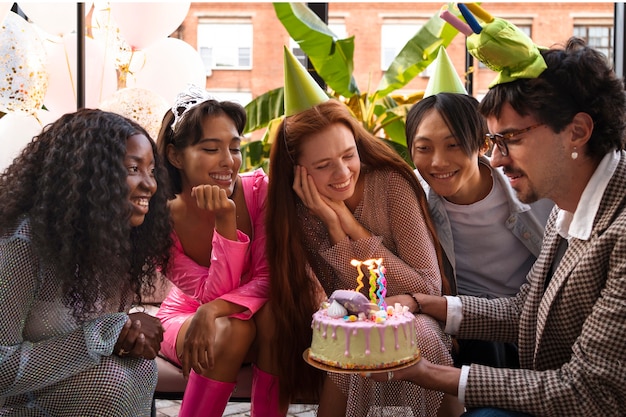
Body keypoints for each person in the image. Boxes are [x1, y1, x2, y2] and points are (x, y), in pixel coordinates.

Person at [367, 37, 626, 416]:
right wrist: (423, 303)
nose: (497, 160)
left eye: (512, 139)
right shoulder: (566, 206)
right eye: (494, 141)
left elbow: (589, 392)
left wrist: (426, 373)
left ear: (577, 131)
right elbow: (527, 311)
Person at [267, 48, 463, 417]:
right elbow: (351, 302)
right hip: (355, 329)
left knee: (408, 336)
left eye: (348, 155)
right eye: (324, 165)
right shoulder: (300, 215)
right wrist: (331, 227)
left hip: (422, 319)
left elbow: (427, 286)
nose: (342, 173)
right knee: (357, 345)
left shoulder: (391, 185)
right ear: (298, 171)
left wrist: (347, 222)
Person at [0, 108, 173, 416]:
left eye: (151, 170)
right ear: (90, 175)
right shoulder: (21, 245)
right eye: (134, 168)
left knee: (140, 369)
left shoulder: (106, 241)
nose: (151, 185)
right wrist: (106, 333)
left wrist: (126, 337)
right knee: (110, 381)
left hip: (59, 395)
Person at [154, 85, 280, 417]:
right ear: (175, 155)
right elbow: (213, 294)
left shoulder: (259, 192)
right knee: (232, 329)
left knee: (275, 317)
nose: (228, 161)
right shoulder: (160, 222)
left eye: (235, 148)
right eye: (211, 148)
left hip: (246, 319)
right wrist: (225, 222)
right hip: (188, 318)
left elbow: (270, 279)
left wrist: (210, 311)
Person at [405, 92, 553, 368]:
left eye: (454, 145)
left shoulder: (532, 189)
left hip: (525, 320)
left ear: (482, 145)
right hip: (461, 323)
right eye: (424, 148)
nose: (438, 162)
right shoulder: (411, 196)